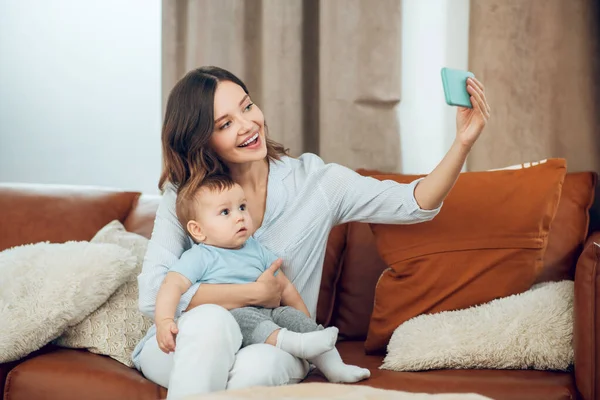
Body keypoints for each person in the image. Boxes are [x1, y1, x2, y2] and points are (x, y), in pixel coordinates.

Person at [133, 66, 491, 400]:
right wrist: (253, 292)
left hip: (277, 346)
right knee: (211, 325)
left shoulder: (316, 183)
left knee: (256, 366)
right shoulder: (185, 194)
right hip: (186, 342)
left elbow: (413, 203)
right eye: (225, 124)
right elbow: (153, 294)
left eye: (248, 106)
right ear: (202, 140)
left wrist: (462, 143)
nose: (247, 124)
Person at [154, 174, 368, 382]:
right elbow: (171, 285)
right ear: (198, 230)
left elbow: (284, 287)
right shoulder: (200, 256)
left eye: (242, 207)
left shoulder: (255, 248)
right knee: (246, 319)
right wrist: (164, 321)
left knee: (291, 317)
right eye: (225, 212)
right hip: (233, 318)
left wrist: (304, 320)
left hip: (270, 311)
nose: (239, 216)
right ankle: (297, 344)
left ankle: (335, 367)